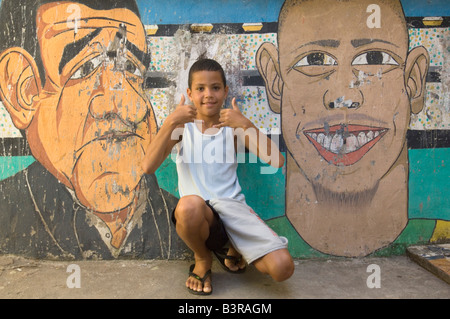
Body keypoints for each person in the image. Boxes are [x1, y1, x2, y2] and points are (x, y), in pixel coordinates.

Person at [0, 0, 185, 259]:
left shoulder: (183, 221)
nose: (129, 106)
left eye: (131, 68)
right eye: (84, 68)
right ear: (23, 91)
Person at [256, 0, 429, 256]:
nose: (343, 95)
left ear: (414, 81)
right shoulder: (257, 243)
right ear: (274, 81)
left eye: (374, 58)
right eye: (314, 59)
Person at [142, 58, 294, 295]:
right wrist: (172, 120)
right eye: (200, 89)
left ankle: (235, 247)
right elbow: (148, 166)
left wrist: (244, 123)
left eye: (215, 88)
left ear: (225, 91)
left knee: (283, 268)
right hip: (197, 214)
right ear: (190, 93)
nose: (208, 95)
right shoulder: (183, 127)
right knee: (189, 204)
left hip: (233, 209)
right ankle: (202, 259)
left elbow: (276, 160)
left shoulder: (232, 126)